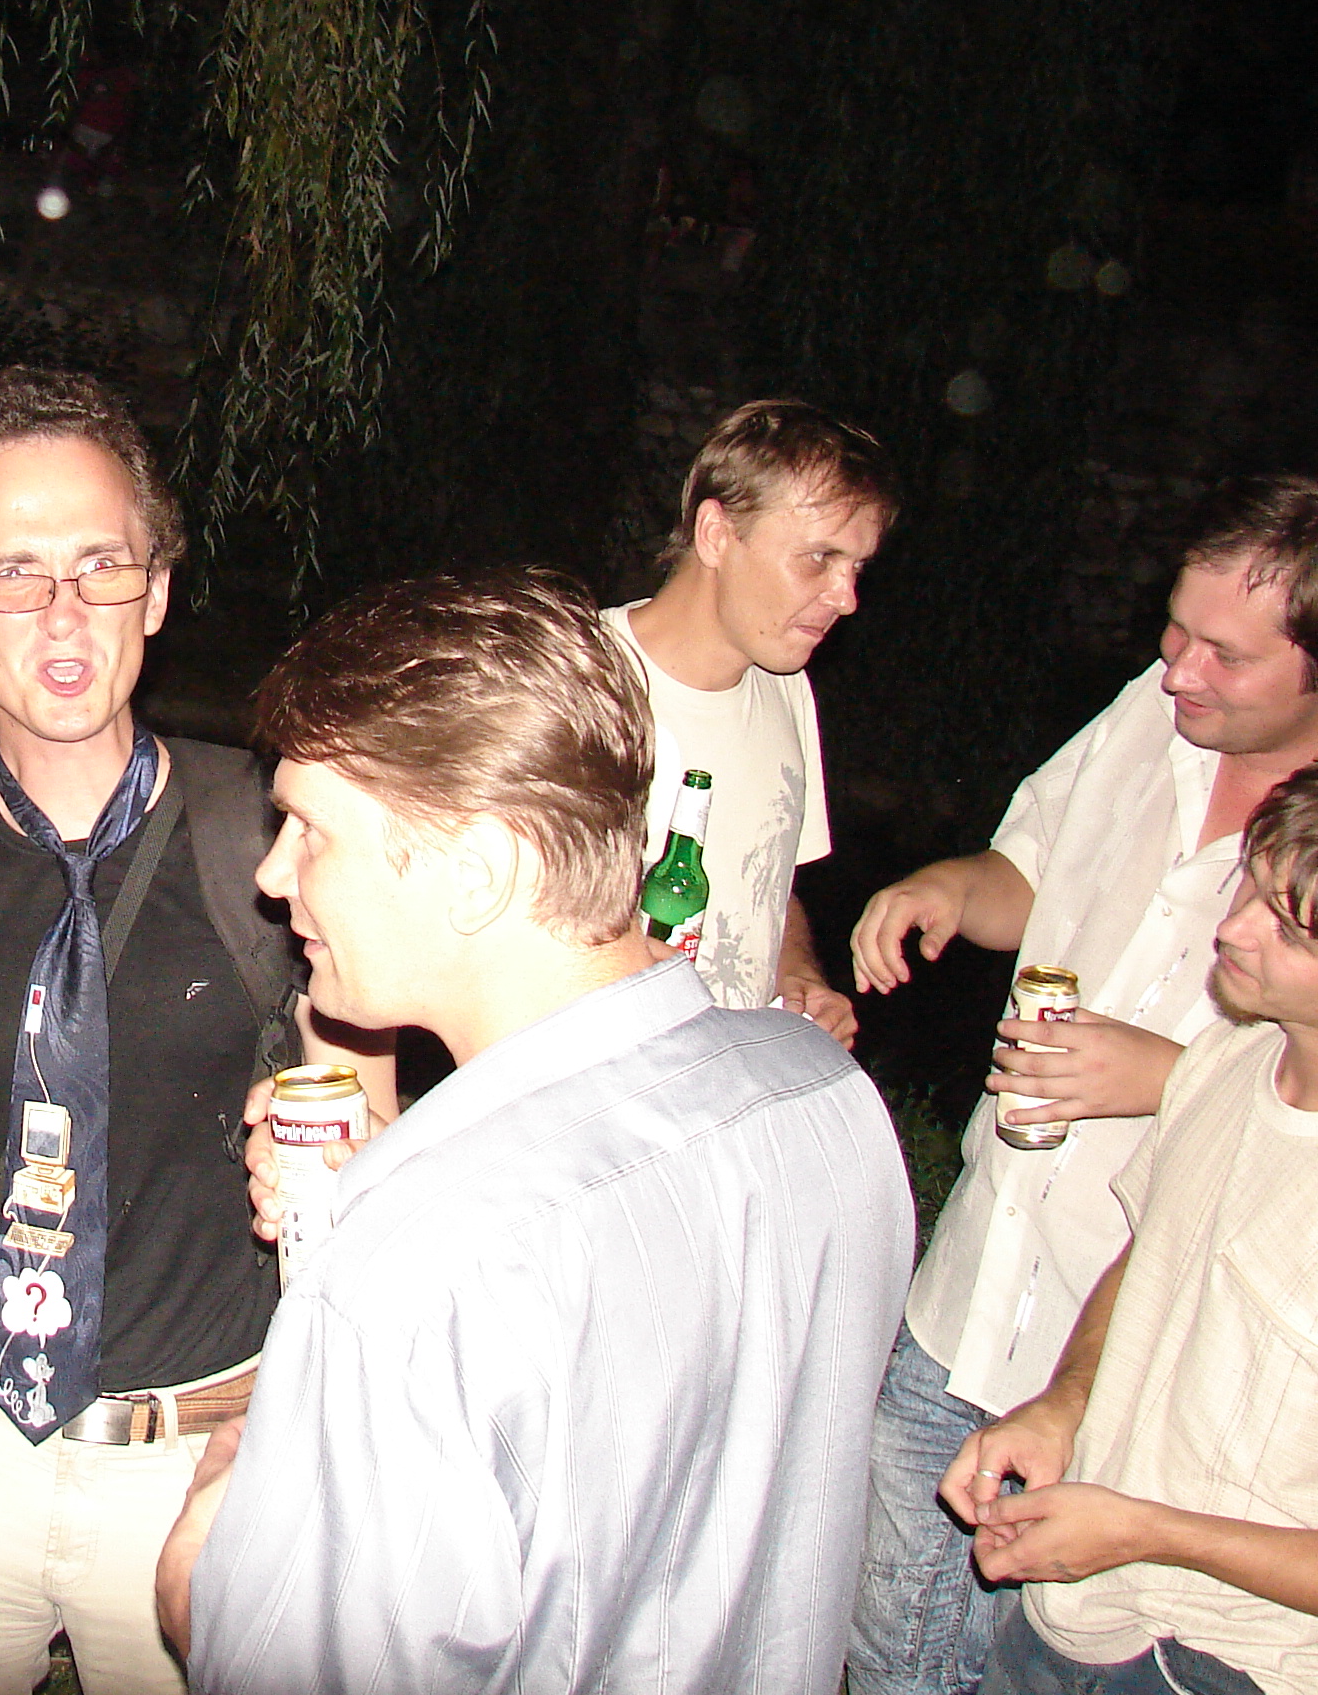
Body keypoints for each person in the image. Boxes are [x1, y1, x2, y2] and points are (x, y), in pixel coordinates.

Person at [160, 569, 912, 1693]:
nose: (273, 877)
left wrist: (200, 1575)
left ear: (479, 874)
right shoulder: (826, 1098)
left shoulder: (410, 1272)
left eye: (311, 830)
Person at [0, 368, 396, 1695]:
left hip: (215, 1456)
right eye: (11, 573)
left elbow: (380, 1129)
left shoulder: (281, 844)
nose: (63, 611)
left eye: (101, 565)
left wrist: (340, 1150)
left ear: (156, 590)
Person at [847, 475, 1318, 1695]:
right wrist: (953, 888)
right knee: (892, 1654)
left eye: (1224, 653)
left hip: (1117, 1363)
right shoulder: (1149, 717)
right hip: (968, 1296)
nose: (1177, 668)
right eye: (1175, 629)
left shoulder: (1310, 863)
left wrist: (1169, 1077)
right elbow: (1032, 870)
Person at [941, 765, 1318, 1695]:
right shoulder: (1227, 1062)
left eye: (1288, 925)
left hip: (1226, 1665)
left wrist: (1148, 1532)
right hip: (1075, 1623)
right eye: (1249, 886)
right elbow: (1151, 1256)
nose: (1232, 929)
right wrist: (1065, 1406)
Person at [605, 397, 894, 1045]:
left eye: (857, 567)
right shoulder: (576, 686)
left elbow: (768, 883)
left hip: (734, 1091)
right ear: (716, 534)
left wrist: (800, 977)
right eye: (819, 558)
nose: (847, 599)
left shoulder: (787, 689)